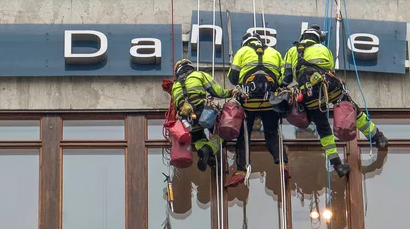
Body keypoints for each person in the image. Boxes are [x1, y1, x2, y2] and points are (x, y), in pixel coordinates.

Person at [282, 26, 389, 178]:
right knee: (351, 109)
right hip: (329, 86)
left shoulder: (291, 52)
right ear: (317, 38)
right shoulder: (322, 49)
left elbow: (285, 78)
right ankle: (378, 137)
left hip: (308, 94)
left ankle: (337, 165)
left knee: (323, 128)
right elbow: (331, 68)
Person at [224, 32, 290, 188]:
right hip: (270, 101)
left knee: (244, 136)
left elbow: (233, 78)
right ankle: (282, 164)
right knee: (272, 134)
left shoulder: (242, 51)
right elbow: (283, 79)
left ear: (245, 42)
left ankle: (241, 170)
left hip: (248, 101)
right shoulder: (274, 53)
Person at [167, 59, 231, 172]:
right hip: (204, 114)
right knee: (223, 133)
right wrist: (231, 93)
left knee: (198, 138)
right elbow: (217, 92)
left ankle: (208, 157)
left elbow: (176, 106)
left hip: (187, 120)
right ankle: (208, 149)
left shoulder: (175, 86)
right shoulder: (199, 75)